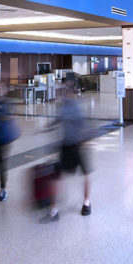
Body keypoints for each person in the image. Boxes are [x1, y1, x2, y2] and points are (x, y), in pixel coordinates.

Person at [43, 78, 93, 221]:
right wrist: (48, 127)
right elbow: (60, 119)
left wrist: (85, 138)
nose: (62, 93)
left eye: (65, 90)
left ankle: (86, 203)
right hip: (68, 145)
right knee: (59, 177)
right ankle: (55, 209)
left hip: (77, 146)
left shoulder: (73, 106)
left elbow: (83, 124)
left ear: (70, 92)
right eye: (62, 90)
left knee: (84, 174)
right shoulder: (65, 106)